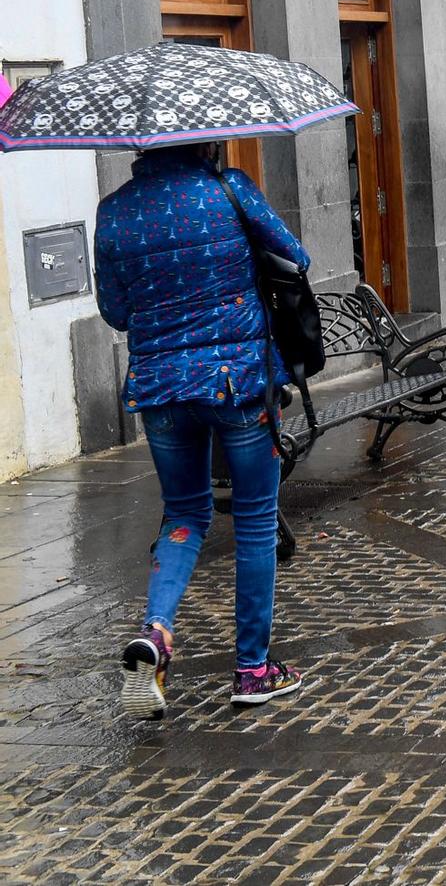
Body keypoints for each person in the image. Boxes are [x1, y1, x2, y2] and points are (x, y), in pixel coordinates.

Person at [96, 142, 311, 717]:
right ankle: (252, 670)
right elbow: (297, 257)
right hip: (237, 384)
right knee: (255, 521)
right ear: (205, 139)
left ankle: (158, 632)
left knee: (185, 515)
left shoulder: (114, 211)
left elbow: (115, 312)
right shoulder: (229, 190)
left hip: (161, 391)